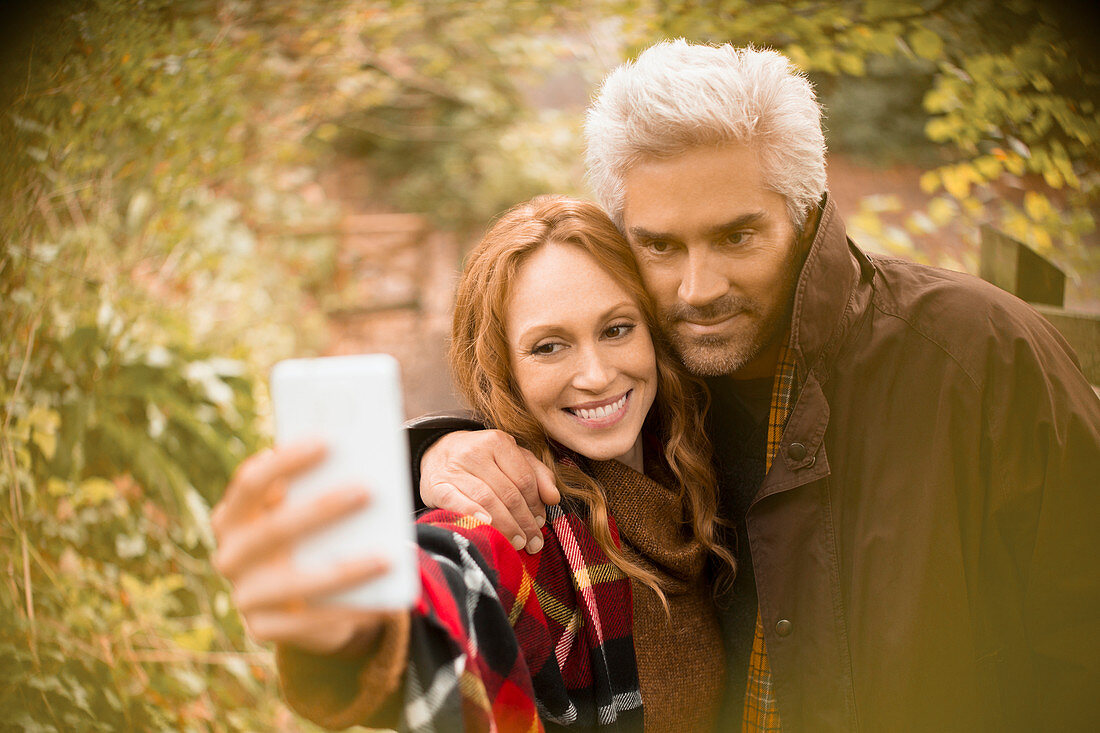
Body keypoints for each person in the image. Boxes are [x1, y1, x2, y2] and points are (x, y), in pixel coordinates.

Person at [414, 41, 1100, 731]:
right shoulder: (656, 379)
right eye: (660, 245)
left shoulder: (978, 355)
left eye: (738, 236)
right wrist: (436, 451)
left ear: (804, 217)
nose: (698, 289)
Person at [212, 195, 738, 731]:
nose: (597, 374)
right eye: (549, 347)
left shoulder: (708, 456)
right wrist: (358, 628)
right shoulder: (518, 509)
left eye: (616, 329)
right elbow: (457, 574)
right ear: (502, 369)